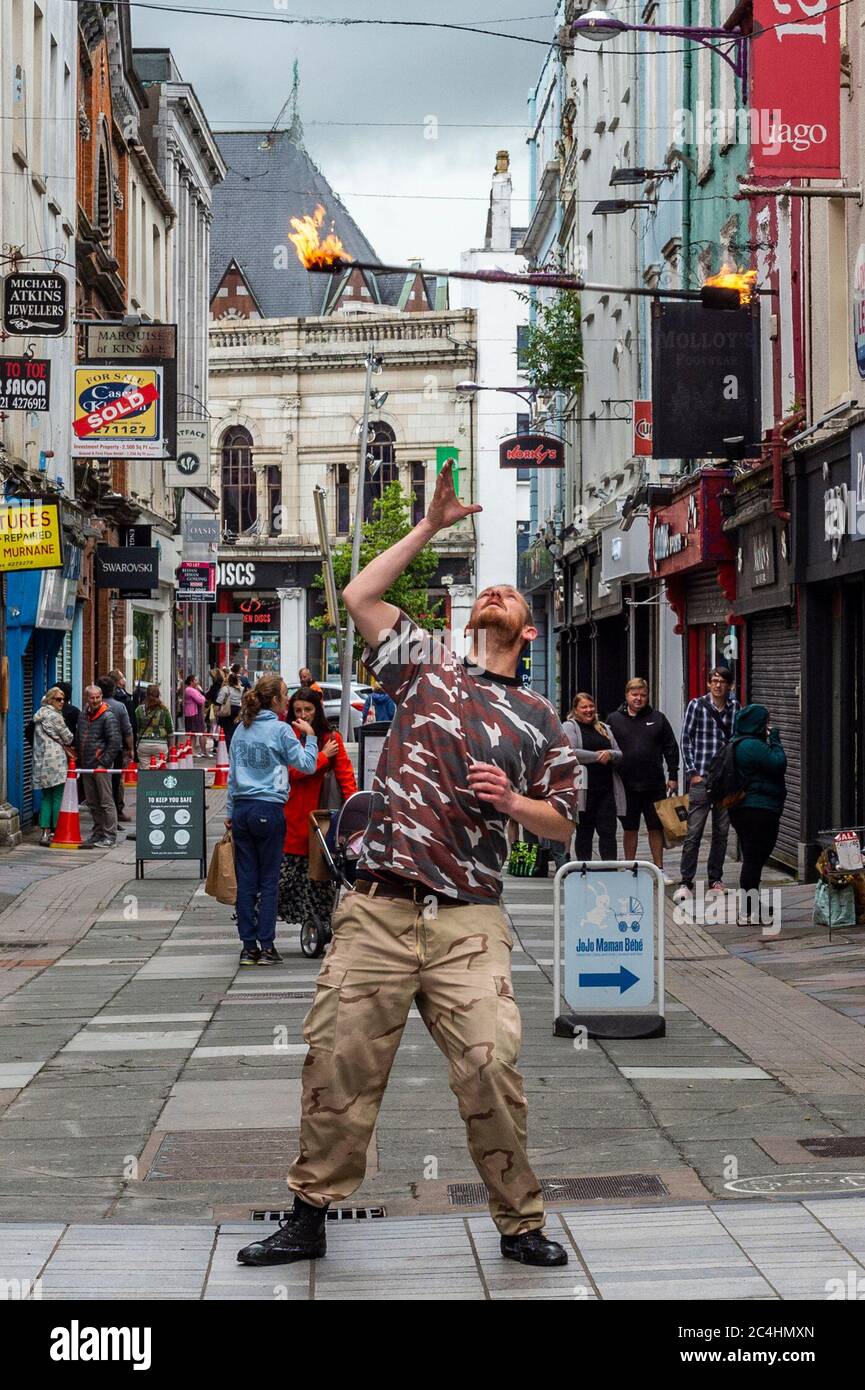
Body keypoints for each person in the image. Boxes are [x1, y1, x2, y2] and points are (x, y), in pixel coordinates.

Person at [237, 459, 580, 1273]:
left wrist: (513, 806)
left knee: (491, 1064)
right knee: (337, 1058)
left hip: (468, 919)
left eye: (509, 594)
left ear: (527, 630)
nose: (494, 592)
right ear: (467, 624)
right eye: (485, 592)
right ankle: (310, 1212)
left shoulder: (541, 719)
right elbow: (356, 597)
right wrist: (428, 527)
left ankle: (520, 1221)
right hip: (380, 908)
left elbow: (562, 823)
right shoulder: (425, 665)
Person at [225, 675, 319, 966]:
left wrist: (229, 813)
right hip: (269, 809)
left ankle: (247, 947)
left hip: (242, 809)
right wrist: (311, 736)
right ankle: (267, 946)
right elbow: (307, 764)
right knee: (268, 881)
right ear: (277, 701)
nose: (289, 700)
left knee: (246, 880)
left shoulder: (242, 728)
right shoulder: (281, 730)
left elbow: (231, 775)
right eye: (284, 695)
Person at [278, 687, 357, 945]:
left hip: (322, 817)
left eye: (308, 710)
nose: (303, 715)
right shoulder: (288, 735)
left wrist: (353, 809)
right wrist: (323, 757)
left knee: (321, 878)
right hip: (293, 817)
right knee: (287, 880)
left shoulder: (330, 737)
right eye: (298, 710)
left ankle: (319, 925)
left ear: (317, 710)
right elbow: (295, 772)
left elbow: (346, 775)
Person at [675, 667, 740, 904]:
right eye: (714, 681)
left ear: (730, 685)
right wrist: (692, 772)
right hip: (702, 777)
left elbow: (738, 739)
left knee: (722, 832)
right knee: (694, 832)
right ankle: (686, 880)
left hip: (725, 781)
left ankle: (715, 878)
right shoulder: (697, 705)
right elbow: (686, 738)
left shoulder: (735, 709)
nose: (718, 685)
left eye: (722, 681)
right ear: (708, 684)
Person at [606, 678, 679, 878]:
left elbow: (671, 747)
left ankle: (659, 869)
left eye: (643, 695)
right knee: (630, 828)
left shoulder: (658, 718)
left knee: (655, 828)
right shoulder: (613, 719)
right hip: (625, 784)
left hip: (654, 783)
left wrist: (673, 775)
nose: (638, 699)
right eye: (634, 694)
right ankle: (630, 867)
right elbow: (606, 748)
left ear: (648, 696)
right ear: (626, 695)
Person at [727, 704, 787, 924]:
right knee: (754, 859)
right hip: (759, 810)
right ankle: (747, 911)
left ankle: (752, 904)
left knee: (753, 857)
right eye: (766, 721)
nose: (768, 726)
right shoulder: (753, 746)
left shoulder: (736, 742)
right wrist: (777, 740)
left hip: (741, 810)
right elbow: (779, 764)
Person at [563, 692, 625, 862]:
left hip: (606, 789)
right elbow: (571, 752)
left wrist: (609, 754)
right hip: (584, 790)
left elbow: (619, 753)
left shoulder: (604, 728)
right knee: (584, 832)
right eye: (584, 707)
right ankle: (584, 869)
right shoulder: (570, 727)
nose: (589, 710)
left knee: (608, 832)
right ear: (575, 710)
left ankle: (609, 869)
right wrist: (597, 757)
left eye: (591, 706)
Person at [75, 685, 121, 847]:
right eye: (91, 698)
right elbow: (79, 736)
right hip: (87, 765)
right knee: (93, 802)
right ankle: (98, 832)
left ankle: (109, 835)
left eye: (97, 697)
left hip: (100, 766)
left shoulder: (108, 716)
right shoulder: (83, 715)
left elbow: (115, 742)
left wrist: (103, 763)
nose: (94, 701)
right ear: (86, 698)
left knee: (106, 801)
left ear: (101, 697)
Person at [32, 687, 74, 845]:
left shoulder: (39, 715)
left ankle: (44, 831)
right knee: (57, 796)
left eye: (63, 699)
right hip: (55, 760)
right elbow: (68, 738)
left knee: (46, 796)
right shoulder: (55, 717)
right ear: (50, 700)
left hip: (41, 761)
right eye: (58, 699)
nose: (62, 702)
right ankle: (56, 829)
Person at [98, 676, 134, 823]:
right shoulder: (120, 706)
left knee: (98, 782)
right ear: (113, 690)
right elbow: (127, 730)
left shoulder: (91, 705)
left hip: (96, 750)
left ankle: (102, 813)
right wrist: (131, 749)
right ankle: (116, 812)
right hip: (115, 750)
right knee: (115, 781)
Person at [135, 684, 174, 765]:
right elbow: (170, 729)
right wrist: (171, 746)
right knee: (159, 770)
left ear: (146, 695)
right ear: (158, 694)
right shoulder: (164, 710)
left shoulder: (139, 710)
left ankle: (146, 777)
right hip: (161, 744)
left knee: (145, 769)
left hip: (143, 744)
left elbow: (135, 727)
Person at [216, 671, 243, 749]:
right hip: (237, 710)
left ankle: (228, 748)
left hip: (227, 711)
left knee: (226, 731)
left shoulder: (225, 689)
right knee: (235, 730)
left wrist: (216, 711)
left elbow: (219, 701)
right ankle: (234, 747)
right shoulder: (241, 689)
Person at [182, 675, 207, 755]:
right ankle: (193, 751)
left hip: (193, 713)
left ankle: (193, 751)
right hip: (192, 713)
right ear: (191, 682)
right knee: (194, 733)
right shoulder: (190, 690)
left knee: (194, 733)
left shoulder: (193, 689)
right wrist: (202, 696)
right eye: (195, 680)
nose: (197, 682)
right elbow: (201, 700)